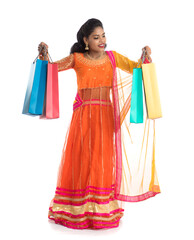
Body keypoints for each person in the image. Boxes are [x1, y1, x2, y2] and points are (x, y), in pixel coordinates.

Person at [38, 18, 160, 230]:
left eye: (103, 35)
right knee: (82, 156)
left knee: (102, 158)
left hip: (105, 115)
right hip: (83, 115)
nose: (102, 40)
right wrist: (44, 56)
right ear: (86, 40)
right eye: (96, 37)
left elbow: (136, 68)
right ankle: (77, 207)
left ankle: (100, 207)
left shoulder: (112, 58)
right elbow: (52, 69)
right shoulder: (77, 59)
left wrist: (144, 57)